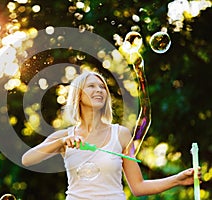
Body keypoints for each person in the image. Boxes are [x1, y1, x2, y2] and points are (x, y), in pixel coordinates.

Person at [22, 70, 200, 199]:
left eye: (102, 87)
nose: (99, 90)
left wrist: (177, 179)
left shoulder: (120, 134)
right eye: (91, 86)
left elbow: (138, 187)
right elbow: (27, 159)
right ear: (78, 95)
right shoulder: (64, 137)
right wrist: (61, 142)